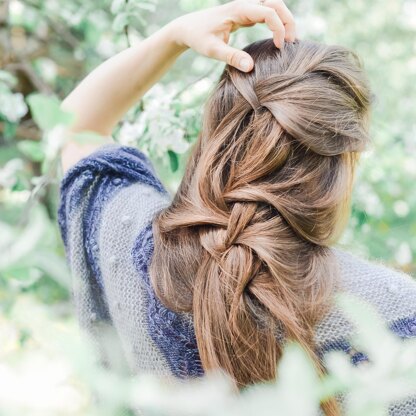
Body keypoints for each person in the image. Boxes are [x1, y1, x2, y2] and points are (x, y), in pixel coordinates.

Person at [58, 1, 416, 415]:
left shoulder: (141, 252)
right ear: (342, 164)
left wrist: (174, 35)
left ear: (217, 136)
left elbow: (73, 127)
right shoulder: (392, 319)